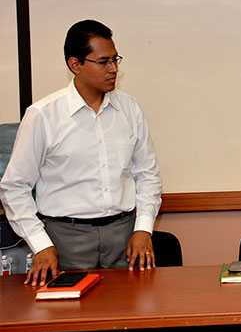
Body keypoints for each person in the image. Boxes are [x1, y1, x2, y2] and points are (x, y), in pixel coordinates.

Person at [0, 20, 162, 286]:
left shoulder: (129, 108)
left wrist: (143, 229)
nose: (114, 69)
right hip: (65, 238)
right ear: (75, 65)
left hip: (124, 235)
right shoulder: (43, 115)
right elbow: (14, 187)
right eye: (103, 62)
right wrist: (41, 245)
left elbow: (147, 175)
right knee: (69, 310)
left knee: (128, 308)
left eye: (115, 60)